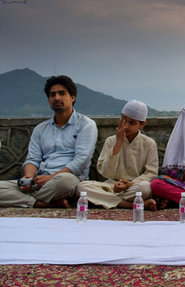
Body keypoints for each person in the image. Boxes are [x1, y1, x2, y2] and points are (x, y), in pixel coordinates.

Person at [0, 75, 97, 208]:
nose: (56, 98)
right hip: (39, 180)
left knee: (65, 182)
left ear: (72, 97)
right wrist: (27, 179)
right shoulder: (41, 129)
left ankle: (27, 201)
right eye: (52, 95)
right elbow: (32, 159)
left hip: (67, 180)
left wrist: (51, 178)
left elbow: (80, 161)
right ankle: (43, 203)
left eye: (62, 93)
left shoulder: (86, 125)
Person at [77, 100, 158, 211]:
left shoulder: (149, 143)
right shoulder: (111, 141)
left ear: (142, 124)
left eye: (132, 123)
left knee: (145, 188)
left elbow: (151, 172)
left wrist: (130, 184)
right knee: (82, 187)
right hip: (111, 186)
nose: (125, 126)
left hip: (134, 186)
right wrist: (118, 145)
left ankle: (106, 200)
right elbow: (106, 173)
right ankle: (128, 204)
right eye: (123, 120)